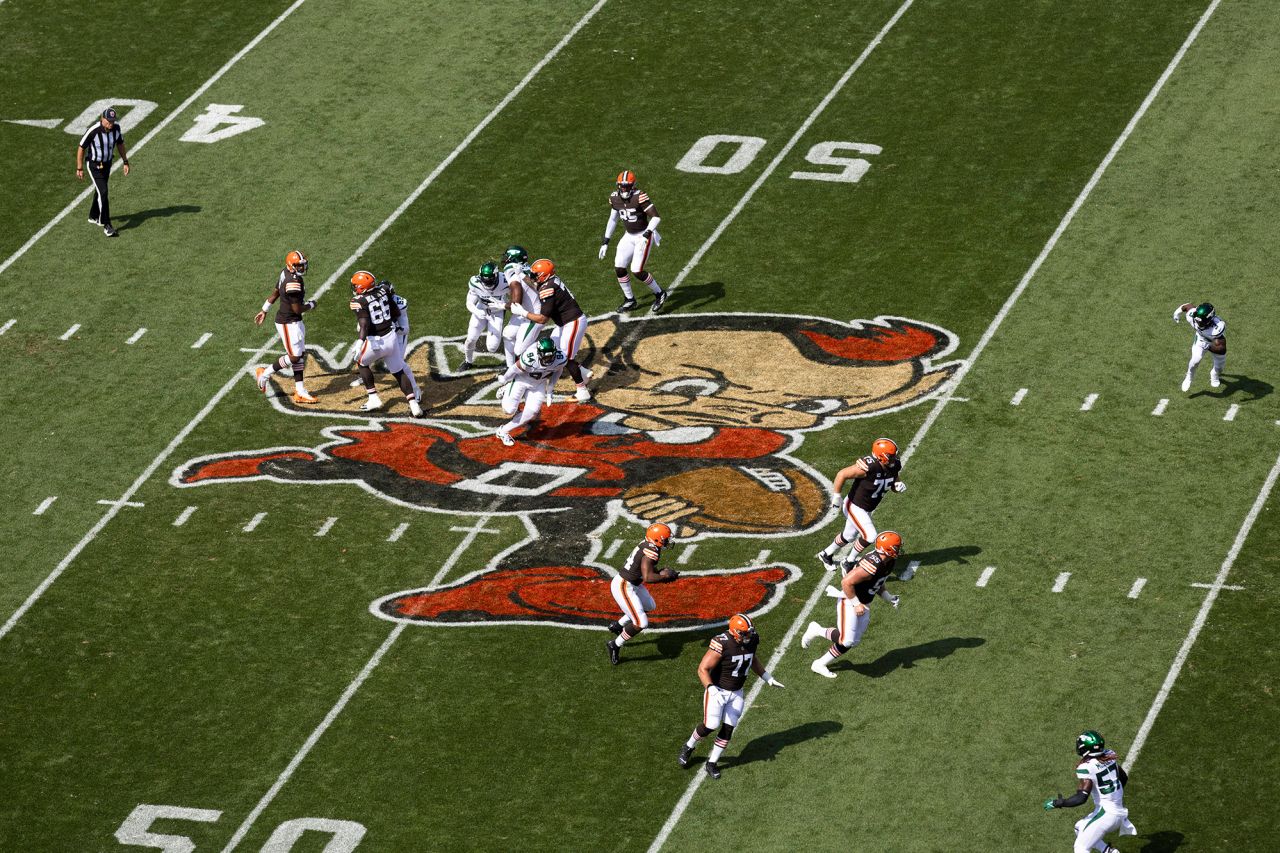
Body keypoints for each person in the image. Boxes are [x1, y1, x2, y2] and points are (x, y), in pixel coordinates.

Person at [678, 613, 784, 779]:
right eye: (744, 633)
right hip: (718, 690)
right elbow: (702, 669)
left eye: (749, 632)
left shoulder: (752, 639)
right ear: (735, 632)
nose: (749, 636)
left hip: (737, 692)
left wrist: (767, 677)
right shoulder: (722, 643)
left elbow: (751, 659)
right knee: (710, 725)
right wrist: (711, 689)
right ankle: (689, 746)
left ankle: (712, 762)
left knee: (729, 728)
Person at [803, 530, 902, 678]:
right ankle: (817, 630)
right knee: (846, 640)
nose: (899, 549)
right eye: (896, 547)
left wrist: (888, 597)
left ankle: (819, 663)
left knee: (852, 641)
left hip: (864, 603)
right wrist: (856, 604)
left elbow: (878, 583)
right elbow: (846, 582)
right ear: (886, 549)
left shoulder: (889, 561)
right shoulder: (872, 564)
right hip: (850, 600)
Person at [816, 438, 908, 574]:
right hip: (855, 506)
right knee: (870, 536)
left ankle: (826, 554)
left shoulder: (894, 465)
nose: (894, 458)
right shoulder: (869, 467)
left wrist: (897, 486)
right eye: (891, 456)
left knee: (849, 536)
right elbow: (842, 474)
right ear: (881, 456)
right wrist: (836, 495)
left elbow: (893, 481)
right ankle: (849, 561)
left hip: (867, 507)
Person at [1043, 730, 1137, 853]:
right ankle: (1109, 851)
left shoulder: (1087, 767)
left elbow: (1081, 798)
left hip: (1107, 814)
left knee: (1081, 848)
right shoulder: (1109, 756)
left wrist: (1059, 803)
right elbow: (1123, 777)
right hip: (1117, 810)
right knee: (1079, 828)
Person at [349, 271, 423, 417]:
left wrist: (359, 343)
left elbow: (363, 325)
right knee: (398, 371)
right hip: (391, 337)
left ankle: (373, 398)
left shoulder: (358, 301)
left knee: (361, 362)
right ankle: (414, 405)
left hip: (375, 341)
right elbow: (395, 312)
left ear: (362, 287)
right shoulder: (384, 290)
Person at [605, 522, 679, 664]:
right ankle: (615, 644)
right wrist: (665, 576)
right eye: (666, 538)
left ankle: (618, 625)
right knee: (641, 622)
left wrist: (661, 573)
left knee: (649, 606)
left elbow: (644, 572)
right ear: (658, 539)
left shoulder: (648, 544)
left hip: (633, 584)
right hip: (624, 586)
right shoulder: (651, 551)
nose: (668, 541)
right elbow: (648, 577)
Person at [524, 259, 593, 401]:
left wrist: (522, 312)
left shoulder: (547, 288)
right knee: (556, 350)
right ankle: (584, 374)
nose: (533, 277)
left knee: (565, 358)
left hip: (572, 323)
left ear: (544, 275)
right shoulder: (552, 280)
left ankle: (582, 391)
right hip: (565, 323)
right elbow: (538, 287)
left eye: (536, 274)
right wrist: (523, 277)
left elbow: (543, 319)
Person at [598, 170, 667, 313]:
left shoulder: (639, 197)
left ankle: (660, 293)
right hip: (629, 235)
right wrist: (605, 241)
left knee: (637, 270)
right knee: (619, 267)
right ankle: (630, 299)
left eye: (627, 186)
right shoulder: (614, 198)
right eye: (622, 186)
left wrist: (646, 235)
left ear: (633, 185)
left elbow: (656, 217)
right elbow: (613, 219)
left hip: (643, 235)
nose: (624, 189)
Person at [255, 250, 317, 403]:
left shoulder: (286, 272)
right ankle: (264, 373)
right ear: (291, 266)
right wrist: (311, 305)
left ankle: (300, 391)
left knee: (299, 355)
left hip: (294, 320)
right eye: (298, 266)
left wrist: (264, 309)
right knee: (294, 356)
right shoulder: (293, 282)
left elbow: (275, 292)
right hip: (288, 322)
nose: (302, 268)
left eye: (302, 265)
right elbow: (297, 308)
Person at [495, 336, 565, 446]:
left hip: (539, 384)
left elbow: (559, 369)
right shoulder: (530, 357)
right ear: (539, 353)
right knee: (508, 410)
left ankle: (503, 431)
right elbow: (514, 368)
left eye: (551, 356)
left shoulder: (560, 358)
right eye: (546, 357)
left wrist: (550, 388)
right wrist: (505, 378)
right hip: (521, 380)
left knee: (531, 413)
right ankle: (507, 388)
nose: (549, 359)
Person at [75, 107, 130, 237]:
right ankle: (107, 225)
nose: (111, 124)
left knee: (100, 190)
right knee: (103, 192)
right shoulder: (93, 131)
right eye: (108, 121)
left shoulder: (116, 129)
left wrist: (125, 161)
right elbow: (81, 147)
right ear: (102, 118)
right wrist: (79, 168)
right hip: (94, 165)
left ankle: (93, 215)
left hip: (107, 164)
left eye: (113, 121)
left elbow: (120, 144)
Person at [500, 245, 543, 367]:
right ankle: (510, 368)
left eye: (508, 258)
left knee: (519, 350)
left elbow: (516, 302)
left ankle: (546, 361)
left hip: (534, 315)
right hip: (524, 311)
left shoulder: (513, 272)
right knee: (508, 334)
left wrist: (501, 305)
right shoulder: (525, 270)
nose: (505, 260)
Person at [1173, 301, 1226, 392]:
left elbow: (1221, 349)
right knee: (1195, 360)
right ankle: (1189, 376)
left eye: (1200, 321)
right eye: (1196, 320)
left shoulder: (1217, 328)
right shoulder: (1192, 317)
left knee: (1219, 368)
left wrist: (1208, 347)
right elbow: (1187, 306)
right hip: (1201, 339)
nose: (1197, 322)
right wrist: (1177, 313)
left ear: (1209, 320)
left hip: (1214, 344)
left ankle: (1214, 375)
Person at [464, 261, 508, 369]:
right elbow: (469, 303)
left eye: (490, 281)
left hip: (497, 313)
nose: (488, 284)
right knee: (470, 339)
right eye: (485, 281)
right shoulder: (475, 282)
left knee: (492, 347)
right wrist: (477, 311)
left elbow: (517, 300)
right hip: (481, 309)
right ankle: (467, 361)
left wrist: (502, 305)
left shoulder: (505, 281)